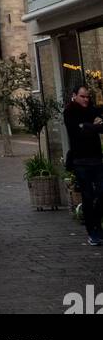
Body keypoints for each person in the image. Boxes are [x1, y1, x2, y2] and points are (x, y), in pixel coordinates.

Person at [64, 84, 103, 246]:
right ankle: (92, 231)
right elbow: (79, 131)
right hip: (80, 161)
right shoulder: (70, 111)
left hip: (96, 159)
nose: (86, 100)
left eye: (88, 97)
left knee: (101, 193)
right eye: (83, 97)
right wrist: (93, 126)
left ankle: (95, 222)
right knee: (87, 196)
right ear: (74, 96)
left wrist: (89, 126)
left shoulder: (92, 110)